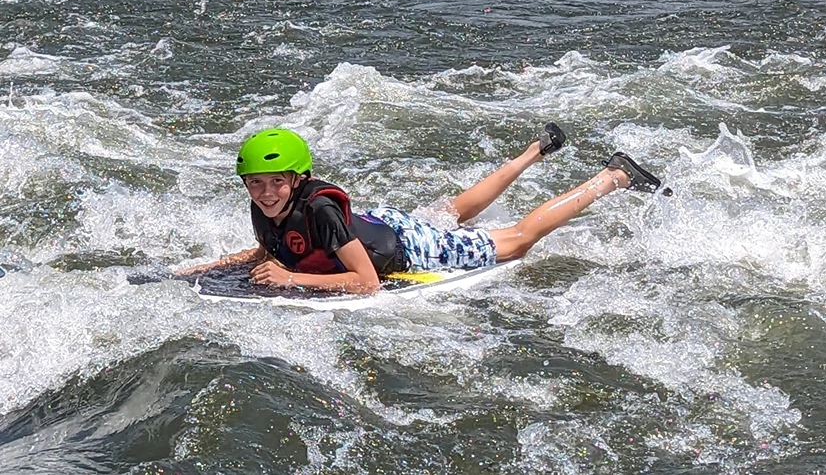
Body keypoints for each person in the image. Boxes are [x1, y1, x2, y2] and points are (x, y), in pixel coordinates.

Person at [180, 124, 671, 294]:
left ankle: (616, 176)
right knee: (454, 208)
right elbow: (271, 247)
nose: (265, 193)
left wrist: (295, 280)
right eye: (256, 184)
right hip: (382, 223)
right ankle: (536, 149)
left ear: (299, 179)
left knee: (516, 240)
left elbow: (367, 284)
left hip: (408, 248)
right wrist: (207, 267)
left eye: (275, 183)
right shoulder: (268, 207)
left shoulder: (322, 212)